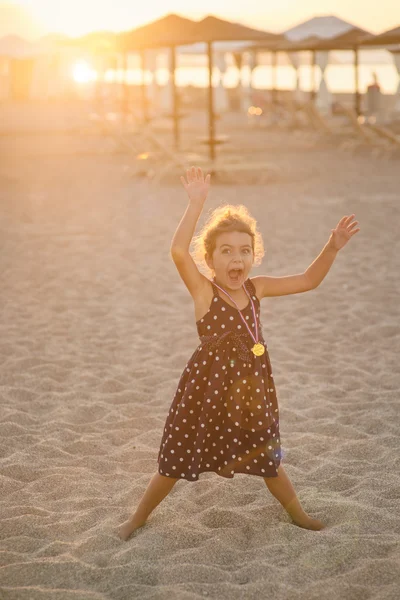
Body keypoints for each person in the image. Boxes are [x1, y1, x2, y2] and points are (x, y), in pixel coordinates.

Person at [118, 166, 360, 540]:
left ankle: (299, 515)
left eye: (244, 251)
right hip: (205, 390)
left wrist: (331, 247)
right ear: (211, 259)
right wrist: (196, 203)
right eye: (226, 251)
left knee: (268, 458)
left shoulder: (256, 289)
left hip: (249, 389)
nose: (237, 259)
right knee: (175, 461)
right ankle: (137, 518)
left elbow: (308, 280)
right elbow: (177, 251)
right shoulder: (204, 292)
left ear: (254, 255)